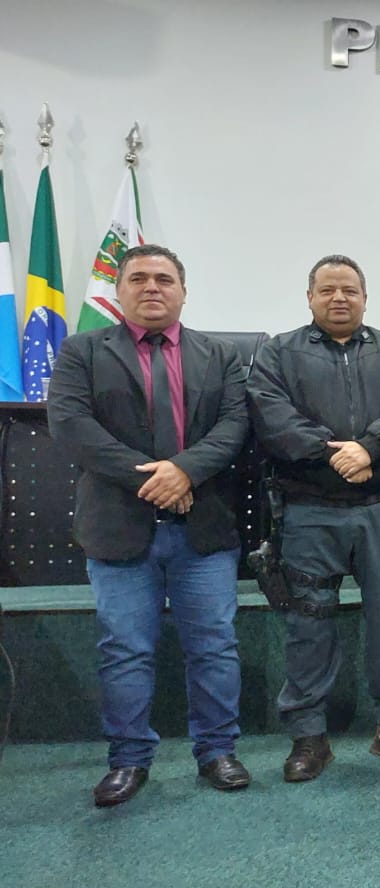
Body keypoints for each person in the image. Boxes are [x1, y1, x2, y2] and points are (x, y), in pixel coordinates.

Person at [47, 244, 252, 807]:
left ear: (184, 291)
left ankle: (217, 751)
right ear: (120, 291)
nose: (152, 287)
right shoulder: (83, 351)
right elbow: (71, 425)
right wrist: (156, 477)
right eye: (138, 278)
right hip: (119, 528)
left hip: (202, 530)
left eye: (164, 278)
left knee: (214, 646)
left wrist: (185, 470)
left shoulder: (220, 355)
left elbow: (235, 426)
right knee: (125, 650)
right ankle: (129, 760)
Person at [248, 254, 380, 782]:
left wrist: (369, 447)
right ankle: (309, 736)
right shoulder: (277, 353)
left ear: (365, 298)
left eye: (349, 290)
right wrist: (335, 453)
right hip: (309, 510)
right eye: (327, 290)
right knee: (308, 622)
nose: (338, 298)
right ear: (309, 297)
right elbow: (270, 415)